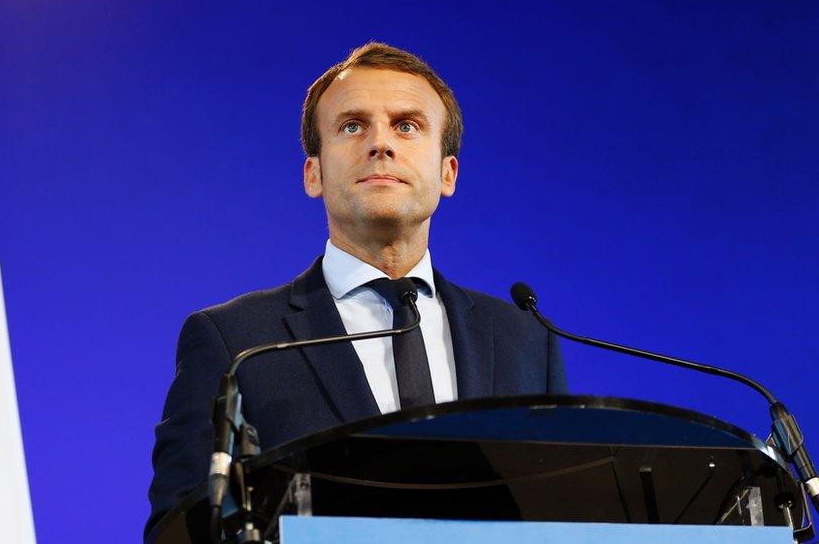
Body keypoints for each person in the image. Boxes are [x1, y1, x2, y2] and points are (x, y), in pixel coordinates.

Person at [145, 42, 567, 537]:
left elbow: (559, 514)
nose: (381, 144)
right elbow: (181, 527)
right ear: (314, 173)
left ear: (447, 173)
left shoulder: (525, 339)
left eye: (407, 125)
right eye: (352, 126)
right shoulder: (234, 343)